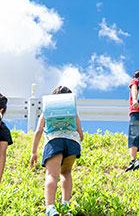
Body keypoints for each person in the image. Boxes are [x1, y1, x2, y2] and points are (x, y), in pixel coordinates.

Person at [30, 86, 84, 216]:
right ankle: (66, 204)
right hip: (72, 143)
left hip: (54, 142)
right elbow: (80, 133)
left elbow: (38, 131)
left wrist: (34, 152)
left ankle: (50, 208)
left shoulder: (47, 111)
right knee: (66, 172)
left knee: (51, 175)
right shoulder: (72, 112)